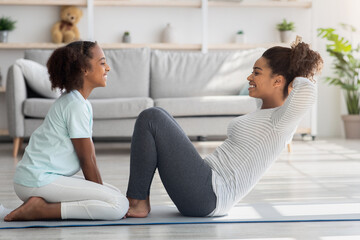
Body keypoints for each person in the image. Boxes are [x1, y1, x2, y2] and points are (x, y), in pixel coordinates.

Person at [126, 37, 323, 218]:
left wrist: (295, 74)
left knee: (152, 116)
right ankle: (138, 198)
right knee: (161, 115)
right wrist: (286, 72)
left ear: (278, 80)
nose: (249, 77)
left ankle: (137, 201)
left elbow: (307, 89)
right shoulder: (265, 110)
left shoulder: (280, 121)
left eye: (256, 73)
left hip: (210, 195)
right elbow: (274, 93)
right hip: (206, 184)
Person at [4, 41, 129, 222]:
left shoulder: (78, 102)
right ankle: (40, 210)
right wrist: (100, 196)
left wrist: (102, 194)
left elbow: (89, 159)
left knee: (115, 194)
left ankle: (39, 205)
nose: (108, 68)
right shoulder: (75, 105)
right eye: (102, 63)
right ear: (84, 69)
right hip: (37, 180)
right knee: (118, 204)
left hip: (36, 179)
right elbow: (87, 160)